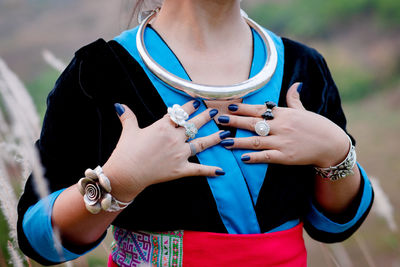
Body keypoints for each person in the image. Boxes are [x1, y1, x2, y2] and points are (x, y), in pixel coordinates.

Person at [17, 0, 374, 266]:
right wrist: (117, 182)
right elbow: (39, 238)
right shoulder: (97, 74)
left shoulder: (305, 67)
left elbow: (338, 225)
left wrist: (337, 153)